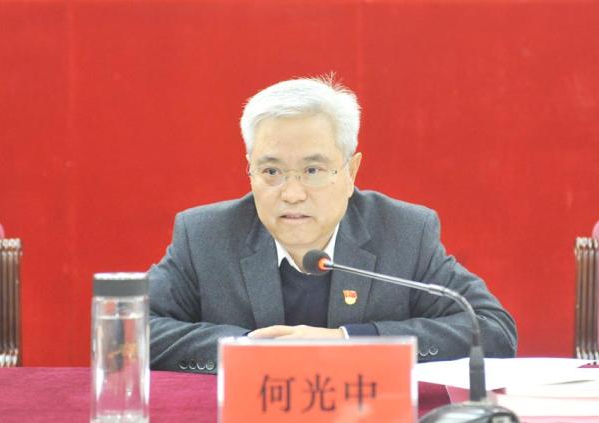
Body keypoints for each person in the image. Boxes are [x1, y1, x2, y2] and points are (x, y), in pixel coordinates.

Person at [149, 76, 517, 373]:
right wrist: (246, 349)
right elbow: (132, 330)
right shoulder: (205, 236)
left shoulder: (404, 233)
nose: (292, 193)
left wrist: (348, 342)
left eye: (313, 170)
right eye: (271, 171)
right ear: (250, 169)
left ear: (351, 171)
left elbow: (491, 329)